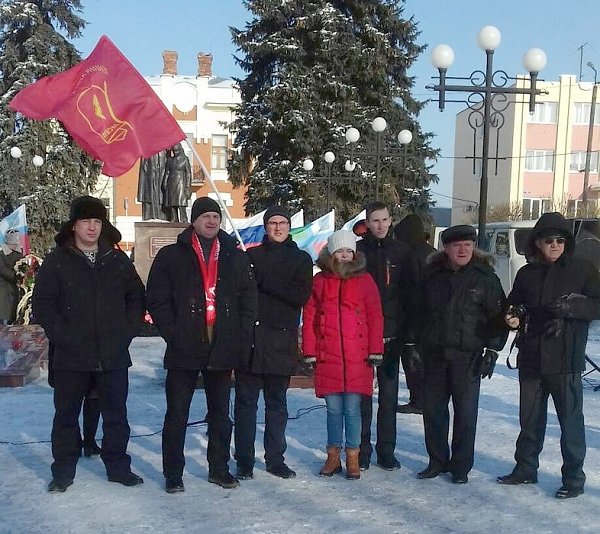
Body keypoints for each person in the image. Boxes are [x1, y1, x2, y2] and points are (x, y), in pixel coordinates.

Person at [32, 196, 145, 493]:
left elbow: (136, 296)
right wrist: (63, 336)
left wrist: (127, 330)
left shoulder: (117, 259)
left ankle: (118, 466)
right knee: (66, 416)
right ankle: (63, 471)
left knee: (116, 415)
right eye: (86, 221)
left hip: (113, 353)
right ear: (74, 225)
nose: (92, 228)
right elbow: (43, 305)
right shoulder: (57, 261)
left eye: (97, 221)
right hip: (71, 355)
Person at [146, 197, 257, 493]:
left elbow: (249, 299)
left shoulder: (234, 255)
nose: (211, 221)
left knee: (220, 413)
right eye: (205, 216)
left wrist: (240, 333)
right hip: (185, 344)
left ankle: (218, 468)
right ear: (193, 221)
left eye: (215, 216)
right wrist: (172, 331)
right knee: (177, 413)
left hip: (222, 345)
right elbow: (157, 298)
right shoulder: (172, 255)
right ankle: (173, 473)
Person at [497, 212, 600, 499]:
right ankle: (526, 468)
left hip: (565, 359)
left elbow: (598, 304)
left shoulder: (583, 269)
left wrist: (573, 310)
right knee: (529, 419)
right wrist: (512, 315)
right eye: (548, 240)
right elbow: (512, 305)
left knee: (570, 423)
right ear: (537, 243)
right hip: (531, 357)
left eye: (560, 240)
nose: (555, 245)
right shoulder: (527, 273)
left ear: (567, 242)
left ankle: (574, 478)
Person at [416, 225, 507, 484]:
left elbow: (499, 318)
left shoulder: (485, 278)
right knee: (433, 412)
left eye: (468, 244)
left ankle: (460, 467)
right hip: (434, 354)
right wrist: (413, 345)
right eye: (457, 245)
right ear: (446, 248)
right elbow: (417, 312)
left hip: (468, 357)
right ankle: (437, 461)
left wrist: (492, 349)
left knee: (466, 414)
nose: (463, 249)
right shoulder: (432, 276)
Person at [234, 206, 313, 480]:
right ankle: (243, 459)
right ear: (266, 227)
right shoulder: (251, 256)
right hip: (251, 342)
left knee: (276, 404)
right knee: (245, 404)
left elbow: (299, 295)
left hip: (280, 340)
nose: (277, 228)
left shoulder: (301, 259)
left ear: (289, 226)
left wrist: (267, 281)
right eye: (272, 223)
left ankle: (275, 458)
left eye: (282, 223)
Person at [302, 230, 383, 480]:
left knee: (353, 410)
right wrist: (310, 350)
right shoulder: (320, 282)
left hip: (358, 358)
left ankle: (353, 456)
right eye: (340, 251)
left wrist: (375, 349)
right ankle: (333, 455)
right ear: (332, 253)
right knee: (333, 411)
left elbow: (375, 315)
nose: (345, 255)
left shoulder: (366, 280)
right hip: (329, 356)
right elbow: (310, 317)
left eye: (349, 251)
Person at [358, 201, 419, 471]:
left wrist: (410, 335)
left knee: (389, 398)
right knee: (362, 398)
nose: (380, 225)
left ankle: (386, 451)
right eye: (375, 221)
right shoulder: (358, 252)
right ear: (367, 223)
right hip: (362, 335)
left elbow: (412, 294)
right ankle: (361, 450)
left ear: (390, 221)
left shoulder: (403, 252)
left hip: (393, 336)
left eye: (384, 220)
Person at [393, 214, 436, 415]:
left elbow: (408, 288)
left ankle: (418, 399)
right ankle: (427, 397)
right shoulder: (433, 254)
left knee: (412, 358)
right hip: (433, 318)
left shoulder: (409, 255)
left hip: (412, 315)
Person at [162, 143, 192, 223]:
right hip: (171, 182)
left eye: (177, 151)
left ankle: (183, 218)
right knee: (172, 202)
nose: (175, 152)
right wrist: (164, 182)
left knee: (181, 202)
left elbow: (188, 173)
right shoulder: (170, 160)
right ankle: (174, 218)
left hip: (181, 182)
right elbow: (167, 172)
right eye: (174, 151)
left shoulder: (185, 159)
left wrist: (188, 186)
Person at [0, 228, 23, 324]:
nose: (16, 245)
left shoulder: (19, 254)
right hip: (3, 291)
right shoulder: (1, 254)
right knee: (4, 318)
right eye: (14, 243)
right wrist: (16, 276)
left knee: (13, 319)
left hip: (15, 293)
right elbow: (2, 269)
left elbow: (23, 266)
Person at [138, 149, 168, 220]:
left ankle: (162, 216)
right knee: (150, 198)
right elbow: (143, 170)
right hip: (150, 182)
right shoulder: (147, 150)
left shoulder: (165, 151)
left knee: (161, 199)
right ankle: (150, 215)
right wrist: (141, 194)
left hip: (161, 184)